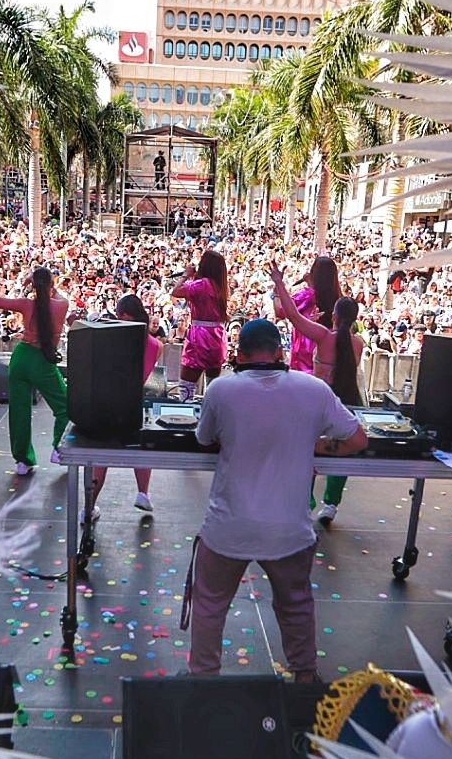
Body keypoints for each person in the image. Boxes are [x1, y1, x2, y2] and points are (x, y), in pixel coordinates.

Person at [183, 319, 367, 682]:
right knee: (296, 606)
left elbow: (205, 440)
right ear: (281, 352)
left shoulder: (222, 390)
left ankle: (203, 680)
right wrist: (316, 445)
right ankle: (304, 679)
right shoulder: (313, 389)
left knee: (210, 604)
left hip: (228, 527)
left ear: (239, 354)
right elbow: (357, 439)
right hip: (290, 529)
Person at [271, 264, 363, 527]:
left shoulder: (324, 337)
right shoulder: (357, 343)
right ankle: (331, 504)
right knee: (342, 451)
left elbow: (291, 316)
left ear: (333, 315)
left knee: (306, 450)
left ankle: (305, 500)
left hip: (318, 403)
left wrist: (279, 283)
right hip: (346, 403)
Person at [0, 265, 69, 475]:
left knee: (19, 411)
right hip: (42, 361)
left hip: (21, 359)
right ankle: (58, 448)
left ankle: (23, 461)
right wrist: (39, 282)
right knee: (65, 407)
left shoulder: (26, 305)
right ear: (51, 284)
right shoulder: (61, 305)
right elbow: (55, 294)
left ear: (34, 285)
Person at [90, 294, 160, 515]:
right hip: (134, 402)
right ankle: (143, 494)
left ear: (121, 315)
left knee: (101, 457)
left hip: (107, 402)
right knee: (141, 449)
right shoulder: (156, 344)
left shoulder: (112, 339)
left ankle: (89, 508)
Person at [169, 248, 230, 400]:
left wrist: (186, 275)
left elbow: (176, 292)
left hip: (200, 335)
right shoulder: (221, 286)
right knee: (212, 387)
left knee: (186, 387)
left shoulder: (201, 284)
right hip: (217, 334)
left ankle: (186, 417)